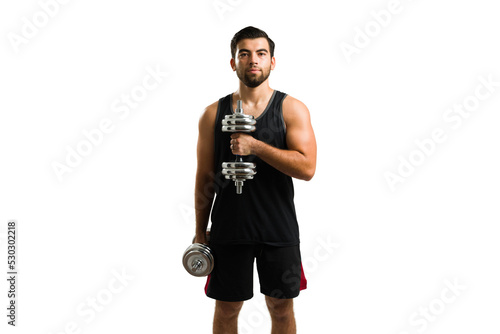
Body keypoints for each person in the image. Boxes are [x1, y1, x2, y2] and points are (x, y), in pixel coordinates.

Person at [194, 26, 317, 333]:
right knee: (226, 307)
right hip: (229, 226)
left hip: (278, 226)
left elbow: (307, 169)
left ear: (272, 61)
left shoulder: (292, 109)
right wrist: (199, 230)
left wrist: (256, 146)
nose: (253, 60)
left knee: (281, 306)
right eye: (244, 53)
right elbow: (204, 177)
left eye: (261, 54)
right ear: (233, 62)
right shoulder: (213, 114)